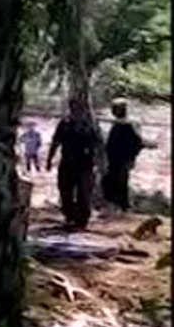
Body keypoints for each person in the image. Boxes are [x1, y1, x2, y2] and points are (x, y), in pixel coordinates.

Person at [47, 97, 102, 230]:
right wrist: (49, 159)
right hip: (67, 162)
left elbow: (98, 144)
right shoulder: (65, 123)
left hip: (85, 164)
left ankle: (82, 220)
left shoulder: (90, 125)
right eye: (74, 107)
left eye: (79, 107)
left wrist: (100, 163)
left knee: (84, 193)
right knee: (65, 190)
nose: (76, 110)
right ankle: (70, 217)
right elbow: (56, 141)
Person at [101, 99, 147, 212]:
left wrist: (131, 158)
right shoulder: (117, 124)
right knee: (110, 181)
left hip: (122, 159)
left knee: (120, 182)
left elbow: (138, 143)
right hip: (114, 159)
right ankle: (115, 205)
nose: (114, 111)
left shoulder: (128, 125)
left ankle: (123, 207)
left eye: (115, 109)